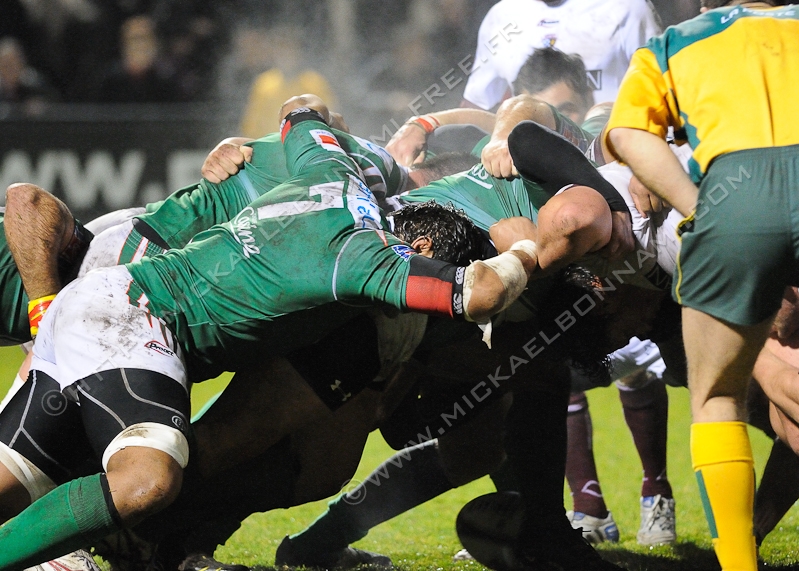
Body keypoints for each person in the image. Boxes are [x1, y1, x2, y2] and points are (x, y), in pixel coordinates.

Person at [0, 96, 537, 569]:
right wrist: (527, 246)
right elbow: (477, 293)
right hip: (139, 301)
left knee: (27, 470)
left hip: (135, 298)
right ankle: (90, 543)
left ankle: (145, 537)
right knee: (148, 477)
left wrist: (250, 140)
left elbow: (302, 111)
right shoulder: (366, 257)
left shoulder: (337, 165)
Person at [604, 2, 799, 570]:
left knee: (717, 398)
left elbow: (627, 132)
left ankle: (739, 562)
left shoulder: (672, 43)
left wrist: (698, 209)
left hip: (737, 202)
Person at [461, 0, 661, 110]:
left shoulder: (628, 8)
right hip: (530, 165)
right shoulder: (501, 15)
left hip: (610, 156)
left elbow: (661, 89)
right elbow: (477, 103)